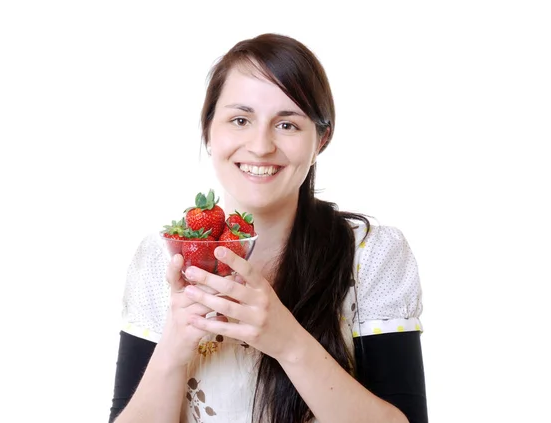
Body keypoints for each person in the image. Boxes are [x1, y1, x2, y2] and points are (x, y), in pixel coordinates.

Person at [108, 33, 427, 423]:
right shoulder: (162, 258)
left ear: (321, 139)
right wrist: (175, 343)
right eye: (240, 120)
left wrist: (286, 341)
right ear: (209, 131)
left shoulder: (370, 256)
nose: (260, 146)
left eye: (288, 125)